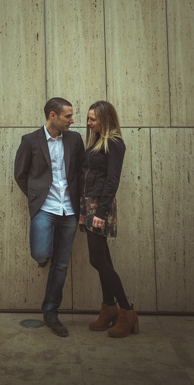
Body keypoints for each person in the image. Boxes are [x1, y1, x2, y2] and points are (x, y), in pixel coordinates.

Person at [13, 97, 85, 337]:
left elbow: (81, 171)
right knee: (42, 253)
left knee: (62, 265)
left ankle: (51, 312)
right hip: (45, 208)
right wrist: (35, 198)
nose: (72, 120)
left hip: (69, 210)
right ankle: (45, 255)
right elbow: (20, 174)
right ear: (52, 116)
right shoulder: (30, 140)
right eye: (68, 116)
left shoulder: (74, 140)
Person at [79, 100, 138, 338]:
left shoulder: (114, 143)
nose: (89, 122)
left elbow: (113, 180)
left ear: (106, 119)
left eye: (93, 118)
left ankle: (126, 310)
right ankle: (108, 309)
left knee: (97, 260)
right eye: (88, 118)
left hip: (99, 206)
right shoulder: (95, 143)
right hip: (88, 204)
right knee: (104, 260)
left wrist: (101, 213)